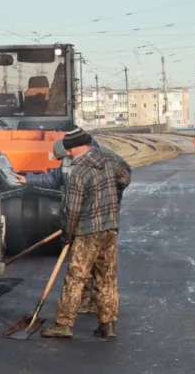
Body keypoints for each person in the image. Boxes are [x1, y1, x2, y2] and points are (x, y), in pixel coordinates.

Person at [43, 126, 132, 340]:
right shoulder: (109, 159)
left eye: (70, 150)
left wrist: (67, 235)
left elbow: (72, 209)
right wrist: (110, 194)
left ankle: (63, 324)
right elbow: (125, 179)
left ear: (79, 147)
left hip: (87, 230)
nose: (69, 154)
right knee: (106, 277)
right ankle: (107, 324)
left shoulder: (79, 171)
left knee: (76, 277)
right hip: (110, 228)